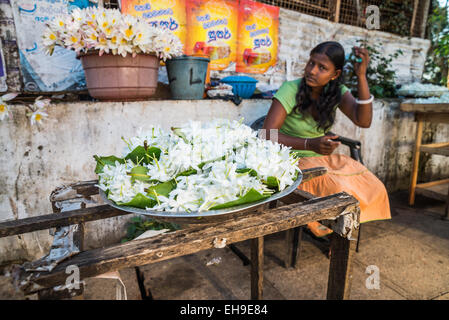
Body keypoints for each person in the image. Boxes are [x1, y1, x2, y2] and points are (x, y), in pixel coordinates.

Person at [263, 41, 391, 238]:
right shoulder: (290, 89)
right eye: (311, 63)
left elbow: (364, 121)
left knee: (371, 185)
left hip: (321, 159)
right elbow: (266, 134)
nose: (312, 71)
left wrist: (362, 76)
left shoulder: (337, 92)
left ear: (335, 74)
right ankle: (337, 235)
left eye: (322, 68)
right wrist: (309, 144)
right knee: (339, 190)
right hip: (292, 161)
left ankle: (341, 232)